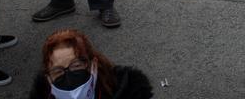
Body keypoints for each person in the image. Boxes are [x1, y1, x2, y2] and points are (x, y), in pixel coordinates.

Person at [26, 28, 155, 99]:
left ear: (93, 65)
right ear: (48, 78)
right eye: (58, 71)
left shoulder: (128, 92)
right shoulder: (42, 95)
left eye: (76, 66)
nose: (69, 76)